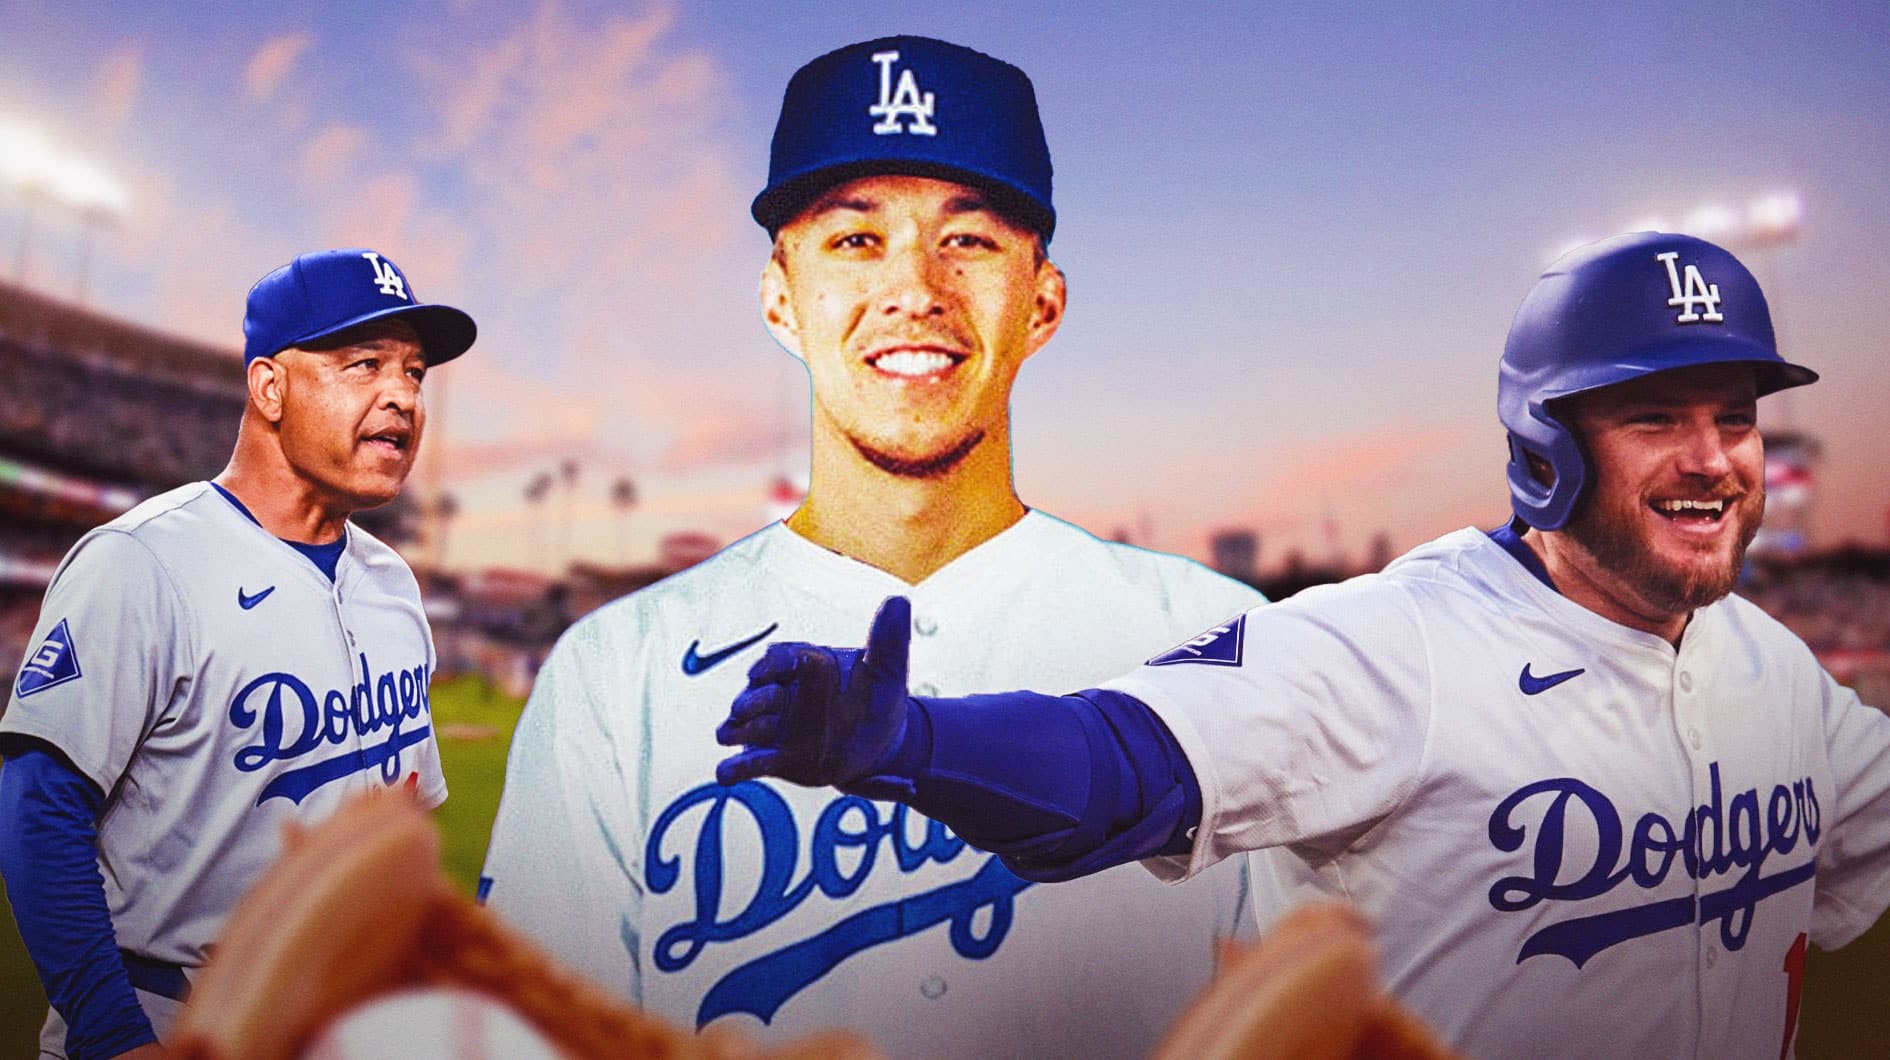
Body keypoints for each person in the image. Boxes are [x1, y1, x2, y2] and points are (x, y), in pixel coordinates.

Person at [717, 231, 1890, 1057]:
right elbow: (1123, 766)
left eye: (1734, 416)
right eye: (1654, 418)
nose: (1714, 458)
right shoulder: (1401, 644)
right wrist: (917, 740)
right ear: (1548, 449)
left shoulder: (1776, 671)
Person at [480, 36, 1263, 1058]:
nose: (915, 288)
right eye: (855, 241)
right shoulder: (614, 675)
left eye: (970, 241)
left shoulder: (1216, 638)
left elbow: (1315, 1013)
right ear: (780, 298)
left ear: (1043, 303)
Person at [0, 248, 477, 1059]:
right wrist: (113, 1034)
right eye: (363, 364)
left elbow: (405, 816)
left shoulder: (393, 583)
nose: (402, 395)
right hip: (176, 1015)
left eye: (415, 372)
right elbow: (39, 804)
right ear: (269, 388)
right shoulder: (142, 560)